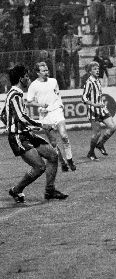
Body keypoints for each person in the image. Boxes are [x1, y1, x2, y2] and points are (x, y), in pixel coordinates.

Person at [2, 65, 68, 203]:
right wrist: (41, 125)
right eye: (26, 76)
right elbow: (21, 118)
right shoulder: (15, 95)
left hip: (26, 134)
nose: (28, 79)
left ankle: (50, 191)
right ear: (21, 79)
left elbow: (3, 114)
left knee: (53, 155)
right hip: (18, 137)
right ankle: (16, 190)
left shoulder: (16, 94)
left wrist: (11, 123)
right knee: (39, 167)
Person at [26, 61, 76, 172]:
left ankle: (70, 159)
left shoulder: (53, 81)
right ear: (38, 73)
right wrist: (40, 105)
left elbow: (57, 95)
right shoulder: (33, 85)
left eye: (47, 70)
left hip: (57, 111)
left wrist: (61, 104)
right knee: (53, 143)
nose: (46, 72)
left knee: (64, 136)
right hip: (45, 116)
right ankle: (62, 163)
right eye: (44, 71)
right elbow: (29, 102)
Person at [82, 61, 116, 160]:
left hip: (102, 109)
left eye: (97, 69)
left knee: (113, 127)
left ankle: (100, 144)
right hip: (93, 111)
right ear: (89, 71)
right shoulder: (89, 83)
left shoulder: (98, 80)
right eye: (94, 69)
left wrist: (100, 104)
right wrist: (94, 104)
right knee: (97, 133)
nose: (97, 71)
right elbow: (84, 98)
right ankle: (91, 153)